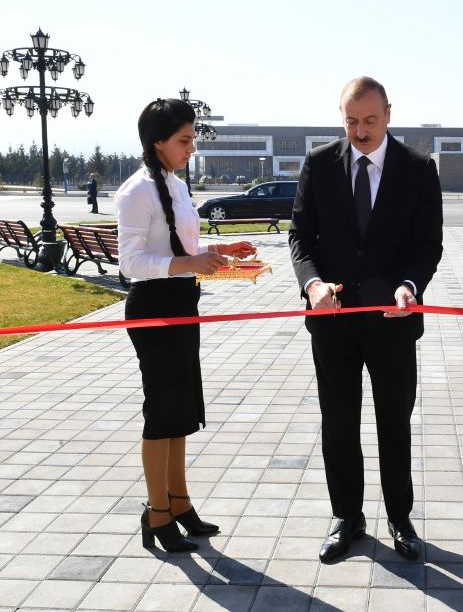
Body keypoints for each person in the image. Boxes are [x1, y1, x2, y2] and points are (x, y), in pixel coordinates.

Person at [289, 77, 443, 562]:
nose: (360, 130)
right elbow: (300, 237)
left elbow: (427, 245)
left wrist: (410, 286)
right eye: (351, 120)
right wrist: (312, 285)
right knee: (338, 423)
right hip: (332, 321)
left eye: (370, 120)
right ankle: (347, 517)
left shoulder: (418, 170)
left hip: (393, 323)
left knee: (393, 423)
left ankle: (400, 518)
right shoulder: (318, 165)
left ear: (389, 114)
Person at [116, 98, 256, 552]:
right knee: (161, 411)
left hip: (181, 303)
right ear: (157, 142)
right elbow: (131, 263)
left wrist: (222, 250)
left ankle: (179, 503)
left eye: (193, 138)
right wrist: (188, 262)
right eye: (184, 139)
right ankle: (156, 512)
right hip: (153, 307)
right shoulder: (137, 191)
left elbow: (185, 247)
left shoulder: (175, 185)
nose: (192, 146)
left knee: (180, 409)